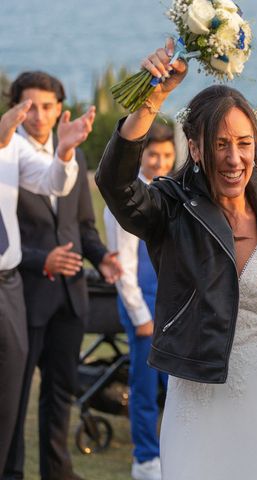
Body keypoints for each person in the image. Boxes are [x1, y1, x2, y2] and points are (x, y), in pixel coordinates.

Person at [95, 39, 257, 480]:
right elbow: (116, 184)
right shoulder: (170, 211)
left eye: (243, 143)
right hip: (201, 406)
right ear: (195, 149)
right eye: (220, 144)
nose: (234, 158)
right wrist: (153, 99)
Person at [2, 71, 119, 480]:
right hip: (24, 293)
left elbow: (84, 225)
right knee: (11, 399)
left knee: (61, 392)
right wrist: (41, 260)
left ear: (59, 109)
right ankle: (11, 471)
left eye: (48, 106)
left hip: (70, 295)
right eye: (30, 106)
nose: (39, 115)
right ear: (15, 107)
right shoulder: (9, 152)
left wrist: (103, 257)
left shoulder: (72, 152)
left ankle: (57, 472)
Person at [103, 122, 174, 480]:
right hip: (141, 303)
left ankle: (173, 452)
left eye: (166, 155)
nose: (160, 162)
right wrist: (140, 314)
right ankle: (146, 458)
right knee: (145, 385)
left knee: (172, 383)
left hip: (168, 300)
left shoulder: (171, 192)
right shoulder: (127, 197)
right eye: (152, 155)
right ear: (140, 155)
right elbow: (125, 266)